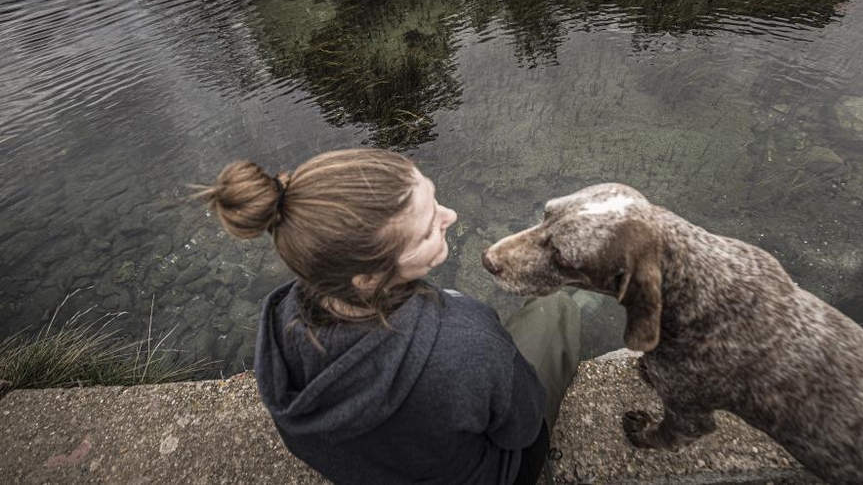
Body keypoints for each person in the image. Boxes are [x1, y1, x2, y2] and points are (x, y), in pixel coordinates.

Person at [197, 148, 583, 484]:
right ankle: (579, 306)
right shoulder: (468, 338)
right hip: (494, 474)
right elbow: (522, 426)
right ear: (366, 278)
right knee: (555, 310)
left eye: (435, 201)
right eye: (429, 228)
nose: (450, 215)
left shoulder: (278, 321)